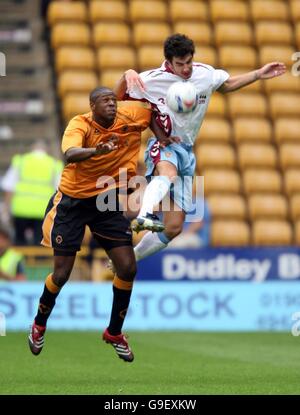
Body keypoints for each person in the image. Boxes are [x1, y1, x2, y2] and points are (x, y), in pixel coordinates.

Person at [114, 33, 286, 262]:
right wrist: (126, 75)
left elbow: (227, 84)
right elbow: (117, 96)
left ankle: (129, 260)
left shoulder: (204, 73)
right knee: (168, 172)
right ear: (168, 62)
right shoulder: (152, 79)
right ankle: (144, 215)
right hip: (164, 142)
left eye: (188, 62)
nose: (185, 69)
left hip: (187, 151)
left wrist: (258, 74)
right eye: (179, 64)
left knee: (174, 227)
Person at [28, 87, 155, 363]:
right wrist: (96, 150)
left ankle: (114, 332)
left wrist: (168, 139)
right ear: (92, 106)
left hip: (104, 200)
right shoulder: (80, 123)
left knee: (128, 267)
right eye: (105, 101)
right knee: (61, 274)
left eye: (113, 99)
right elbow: (70, 153)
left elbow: (158, 111)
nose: (112, 104)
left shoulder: (131, 114)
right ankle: (39, 324)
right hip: (72, 202)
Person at [1, 141, 63, 246]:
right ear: (46, 151)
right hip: (43, 211)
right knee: (39, 242)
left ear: (31, 150)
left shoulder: (20, 161)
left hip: (20, 210)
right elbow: (60, 190)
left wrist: (6, 209)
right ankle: (38, 261)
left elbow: (8, 187)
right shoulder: (54, 164)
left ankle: (20, 261)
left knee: (19, 241)